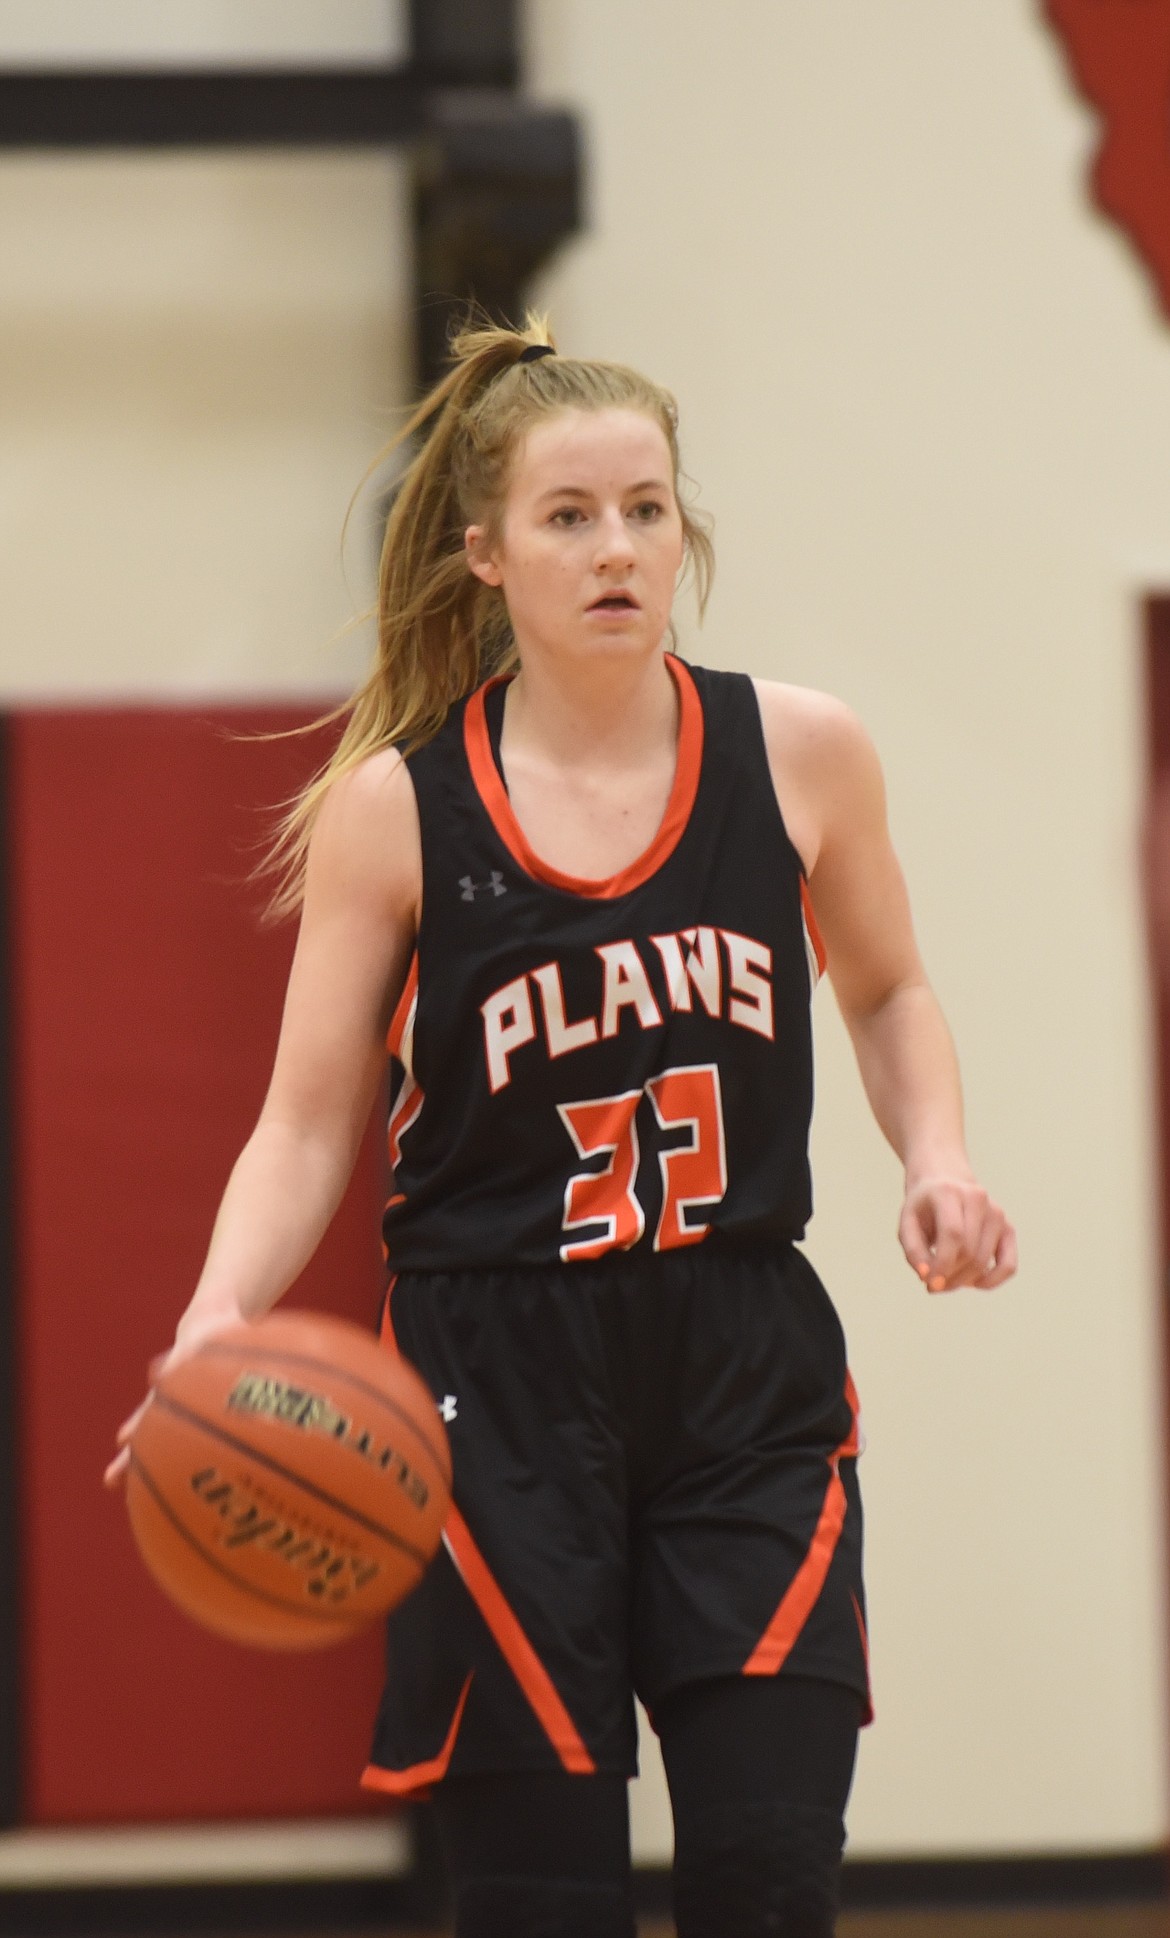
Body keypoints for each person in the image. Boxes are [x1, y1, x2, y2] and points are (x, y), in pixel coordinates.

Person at [108, 319, 1016, 1938]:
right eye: (570, 516)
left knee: (765, 1874)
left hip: (743, 1357)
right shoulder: (400, 810)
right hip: (491, 1384)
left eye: (647, 510)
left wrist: (935, 1157)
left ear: (685, 530)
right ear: (484, 552)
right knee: (541, 1905)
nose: (617, 549)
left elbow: (884, 990)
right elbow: (309, 1122)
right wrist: (213, 1316)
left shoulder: (798, 747)